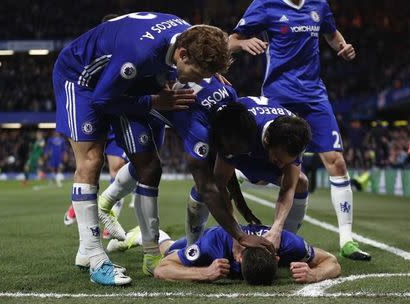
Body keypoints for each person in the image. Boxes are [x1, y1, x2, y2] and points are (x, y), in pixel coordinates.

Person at [53, 12, 232, 285]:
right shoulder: (137, 55)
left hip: (127, 81)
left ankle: (139, 253)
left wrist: (211, 73)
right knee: (91, 160)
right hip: (82, 79)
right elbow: (103, 100)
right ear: (182, 55)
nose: (199, 81)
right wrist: (153, 102)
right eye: (198, 74)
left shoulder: (189, 36)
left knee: (150, 166)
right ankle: (94, 256)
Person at [229, 0, 370, 260]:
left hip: (314, 96)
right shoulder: (264, 5)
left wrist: (343, 47)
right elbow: (230, 41)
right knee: (285, 170)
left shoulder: (320, 5)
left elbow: (332, 33)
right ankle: (241, 173)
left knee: (337, 162)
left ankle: (347, 240)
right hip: (279, 95)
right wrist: (243, 43)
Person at [97, 77, 275, 276]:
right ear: (219, 136)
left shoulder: (230, 100)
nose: (231, 154)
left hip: (164, 106)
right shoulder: (198, 130)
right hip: (135, 99)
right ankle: (149, 253)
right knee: (150, 169)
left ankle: (111, 207)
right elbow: (208, 189)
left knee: (146, 165)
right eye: (231, 149)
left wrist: (243, 208)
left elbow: (227, 161)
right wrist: (240, 236)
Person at [210, 98, 311, 251]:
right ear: (267, 138)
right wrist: (236, 236)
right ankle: (192, 240)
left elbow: (289, 187)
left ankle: (284, 239)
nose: (282, 165)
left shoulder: (296, 135)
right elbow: (220, 184)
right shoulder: (240, 130)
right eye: (278, 158)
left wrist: (276, 230)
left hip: (263, 158)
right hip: (243, 153)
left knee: (301, 182)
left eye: (286, 161)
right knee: (207, 187)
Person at [111, 224, 341, 284]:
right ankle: (141, 236)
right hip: (209, 236)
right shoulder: (213, 245)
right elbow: (162, 268)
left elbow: (331, 261)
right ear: (238, 258)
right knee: (168, 247)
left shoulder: (286, 242)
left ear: (277, 257)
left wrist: (315, 275)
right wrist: (205, 273)